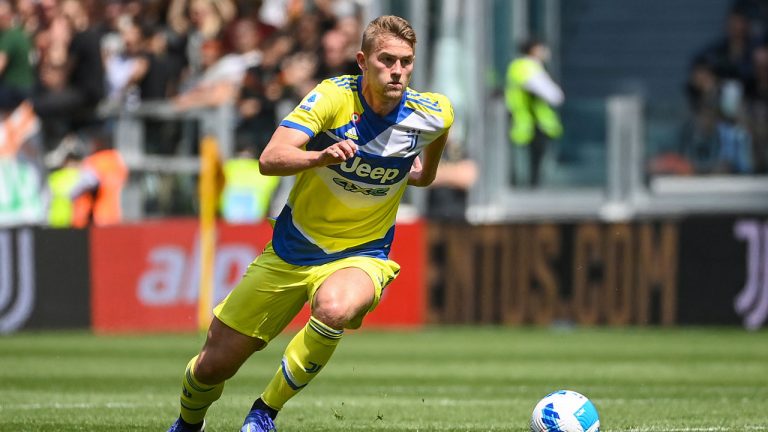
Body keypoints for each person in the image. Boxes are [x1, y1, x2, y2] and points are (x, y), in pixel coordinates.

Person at [166, 15, 453, 432]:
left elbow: (425, 173)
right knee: (213, 365)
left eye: (406, 62)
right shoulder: (332, 97)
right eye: (386, 60)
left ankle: (264, 413)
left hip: (362, 252)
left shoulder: (434, 113)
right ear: (362, 61)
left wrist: (398, 168)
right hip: (292, 249)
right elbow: (269, 159)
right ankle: (189, 424)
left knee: (334, 308)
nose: (397, 71)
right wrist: (320, 156)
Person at [505, 38, 564, 187]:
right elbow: (554, 95)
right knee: (530, 165)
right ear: (534, 50)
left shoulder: (518, 66)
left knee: (526, 163)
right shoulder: (528, 68)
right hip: (530, 123)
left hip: (524, 122)